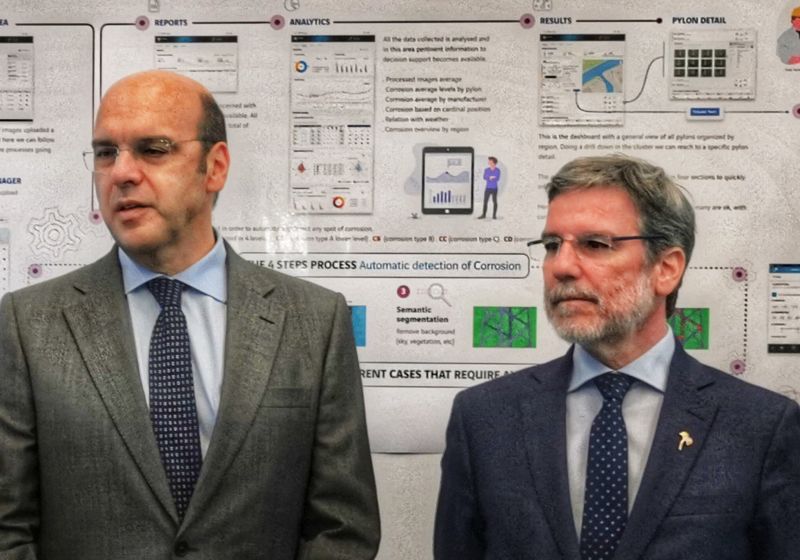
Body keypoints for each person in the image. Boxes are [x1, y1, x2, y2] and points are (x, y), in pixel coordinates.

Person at [0, 70, 380, 559]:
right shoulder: (29, 325)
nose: (121, 173)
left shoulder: (314, 321)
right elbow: (7, 526)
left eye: (153, 149)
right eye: (105, 153)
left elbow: (343, 528)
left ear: (214, 167)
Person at [434, 154, 800, 559]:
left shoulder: (760, 427)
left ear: (666, 268)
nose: (561, 266)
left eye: (595, 244)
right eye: (553, 245)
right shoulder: (484, 418)